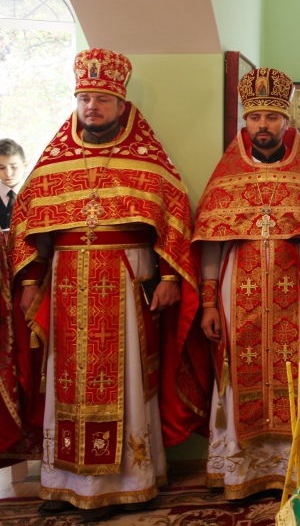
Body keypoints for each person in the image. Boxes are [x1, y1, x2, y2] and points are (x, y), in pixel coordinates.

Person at [8, 48, 208, 521]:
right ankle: (63, 483)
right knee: (66, 382)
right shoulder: (54, 164)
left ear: (121, 104)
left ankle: (129, 482)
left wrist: (169, 277)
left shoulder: (148, 162)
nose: (91, 107)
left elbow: (175, 219)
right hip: (66, 284)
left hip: (125, 282)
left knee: (127, 380)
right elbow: (28, 227)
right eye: (84, 98)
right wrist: (31, 279)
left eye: (101, 99)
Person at [194, 68, 300, 500]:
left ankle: (294, 468)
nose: (262, 125)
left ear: (286, 121)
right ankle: (240, 472)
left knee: (295, 373)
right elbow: (210, 247)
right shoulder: (226, 178)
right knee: (237, 374)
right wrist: (208, 304)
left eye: (270, 117)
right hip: (236, 294)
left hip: (294, 297)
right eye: (254, 118)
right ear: (245, 122)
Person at [0, 138, 27, 231]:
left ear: (25, 165)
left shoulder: (35, 194)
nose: (8, 173)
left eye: (14, 167)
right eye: (1, 168)